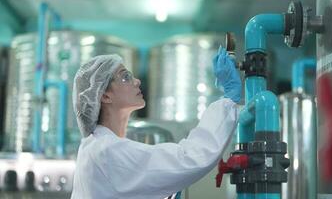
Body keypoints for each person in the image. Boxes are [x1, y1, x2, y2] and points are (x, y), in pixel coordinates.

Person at [70, 46, 242, 199]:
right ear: (105, 96)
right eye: (125, 77)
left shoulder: (99, 147)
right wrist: (227, 100)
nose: (136, 81)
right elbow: (189, 159)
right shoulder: (106, 151)